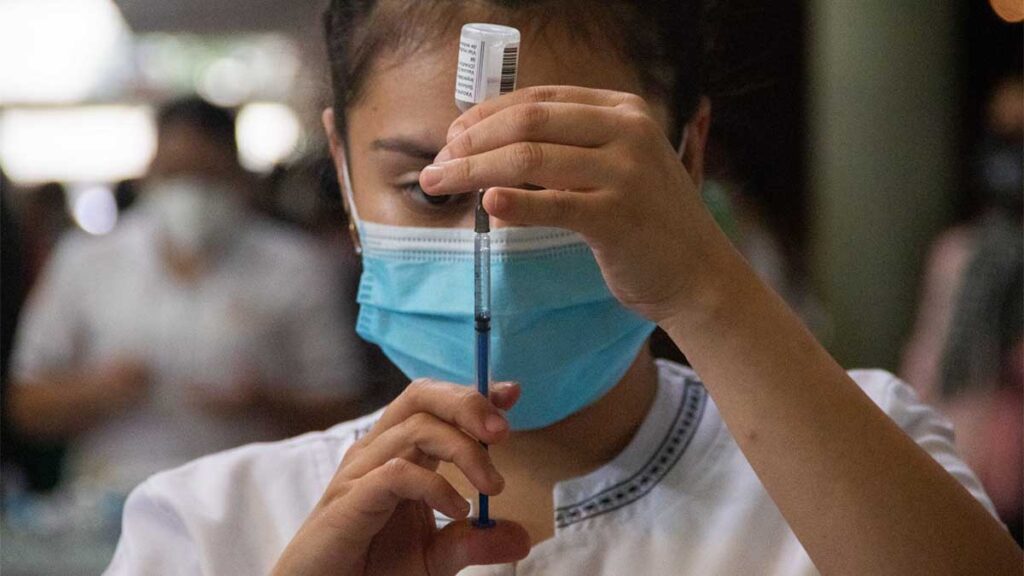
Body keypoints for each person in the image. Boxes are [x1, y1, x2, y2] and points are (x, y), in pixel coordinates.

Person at [106, 3, 1022, 575]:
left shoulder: (868, 457)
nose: (493, 243)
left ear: (686, 157)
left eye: (566, 182)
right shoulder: (208, 527)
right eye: (432, 188)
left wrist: (707, 286)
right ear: (343, 167)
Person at [8, 97, 367, 497]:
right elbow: (26, 404)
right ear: (148, 175)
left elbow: (347, 410)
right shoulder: (87, 261)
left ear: (239, 176)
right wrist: (98, 392)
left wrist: (265, 404)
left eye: (207, 175)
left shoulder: (297, 265)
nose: (190, 192)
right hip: (112, 497)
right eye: (174, 174)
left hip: (251, 495)